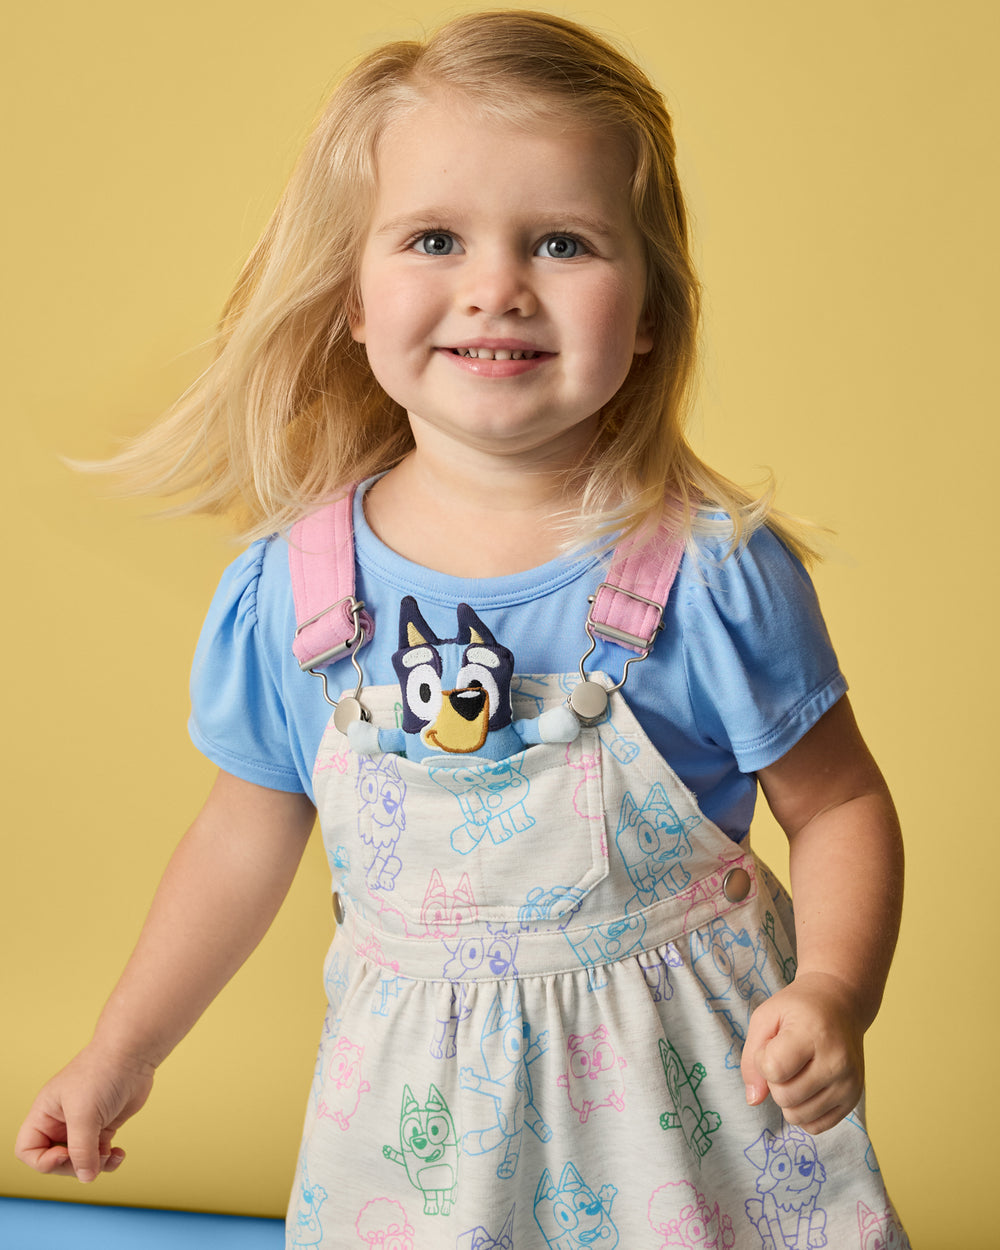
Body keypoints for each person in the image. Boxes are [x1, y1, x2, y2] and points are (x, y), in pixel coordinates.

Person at [16, 10, 910, 1247]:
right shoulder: (293, 591)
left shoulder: (710, 574)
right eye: (434, 237)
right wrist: (122, 1049)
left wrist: (832, 990)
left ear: (649, 310)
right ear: (352, 298)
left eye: (563, 241)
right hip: (420, 1140)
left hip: (683, 1124)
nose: (496, 285)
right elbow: (242, 832)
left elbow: (838, 804)